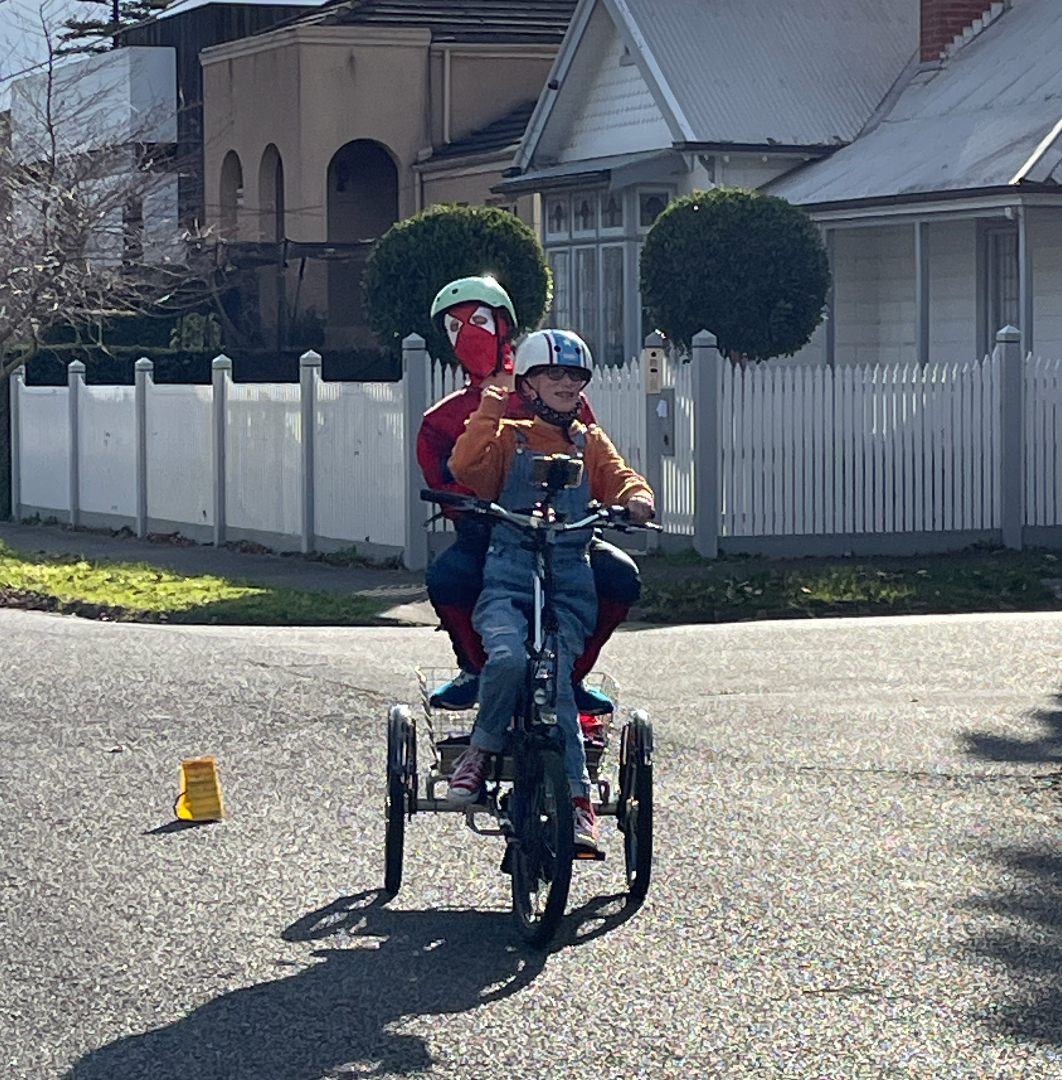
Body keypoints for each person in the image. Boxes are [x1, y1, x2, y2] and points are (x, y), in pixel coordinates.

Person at [444, 329, 654, 853]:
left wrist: (637, 499)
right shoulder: (508, 434)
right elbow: (465, 466)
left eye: (575, 376)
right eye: (553, 375)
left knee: (556, 678)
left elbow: (622, 478)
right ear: (529, 384)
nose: (566, 384)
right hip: (509, 574)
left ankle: (579, 805)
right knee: (510, 656)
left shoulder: (589, 441)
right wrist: (493, 397)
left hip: (568, 577)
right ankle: (480, 751)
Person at [418, 276, 641, 717]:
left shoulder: (553, 395)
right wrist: (470, 506)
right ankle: (477, 668)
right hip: (493, 532)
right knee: (449, 576)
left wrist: (628, 498)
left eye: (478, 321)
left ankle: (572, 673)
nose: (468, 336)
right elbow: (448, 474)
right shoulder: (442, 419)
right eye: (454, 328)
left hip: (566, 530)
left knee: (619, 577)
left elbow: (595, 454)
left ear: (504, 325)